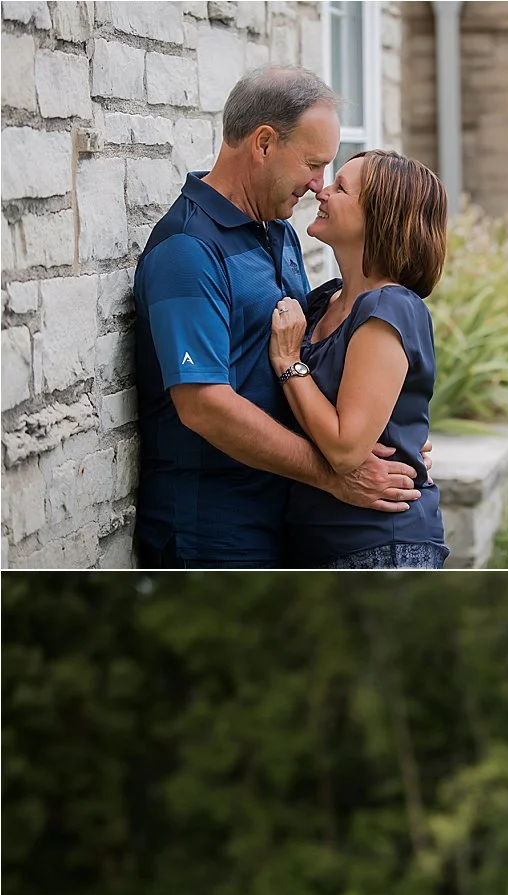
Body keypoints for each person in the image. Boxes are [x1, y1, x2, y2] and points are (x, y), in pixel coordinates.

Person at [132, 67, 423, 566]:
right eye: (313, 164)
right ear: (264, 143)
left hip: (284, 518)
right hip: (212, 534)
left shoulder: (279, 232)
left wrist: (395, 441)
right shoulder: (188, 248)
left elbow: (309, 360)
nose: (318, 186)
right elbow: (203, 405)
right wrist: (333, 474)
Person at [271, 150, 449, 569]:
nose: (322, 191)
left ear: (379, 218)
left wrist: (287, 362)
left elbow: (346, 448)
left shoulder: (391, 307)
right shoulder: (322, 302)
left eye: (341, 187)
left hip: (380, 548)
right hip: (318, 543)